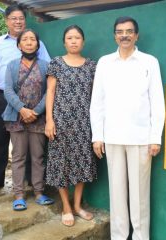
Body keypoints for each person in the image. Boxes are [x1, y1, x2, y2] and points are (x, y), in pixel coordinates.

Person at [90, 16, 165, 240]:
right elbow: (98, 101)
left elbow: (157, 101)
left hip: (141, 138)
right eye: (120, 31)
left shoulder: (149, 62)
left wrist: (155, 137)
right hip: (112, 137)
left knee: (140, 196)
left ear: (136, 35)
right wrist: (97, 136)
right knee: (117, 193)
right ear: (114, 35)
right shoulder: (104, 62)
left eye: (129, 31)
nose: (125, 35)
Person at [0, 4, 50, 191]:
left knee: (29, 144)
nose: (18, 21)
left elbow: (47, 69)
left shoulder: (37, 43)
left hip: (32, 101)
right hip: (3, 96)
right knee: (0, 140)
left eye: (21, 18)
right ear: (6, 21)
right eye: (14, 18)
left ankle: (29, 182)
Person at [45, 25, 97, 227]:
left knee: (82, 162)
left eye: (77, 38)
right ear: (64, 42)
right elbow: (49, 92)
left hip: (84, 123)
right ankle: (65, 206)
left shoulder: (92, 66)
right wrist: (49, 120)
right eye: (69, 38)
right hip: (60, 122)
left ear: (83, 42)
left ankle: (77, 205)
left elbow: (95, 95)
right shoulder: (56, 63)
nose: (74, 41)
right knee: (61, 163)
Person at [2, 29, 54, 211]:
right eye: (25, 39)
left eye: (33, 39)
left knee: (38, 157)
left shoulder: (46, 65)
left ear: (38, 45)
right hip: (16, 118)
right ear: (19, 45)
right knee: (18, 157)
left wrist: (36, 111)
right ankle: (18, 195)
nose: (29, 42)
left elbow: (50, 91)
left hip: (39, 120)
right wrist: (23, 110)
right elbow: (7, 90)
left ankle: (39, 192)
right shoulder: (12, 65)